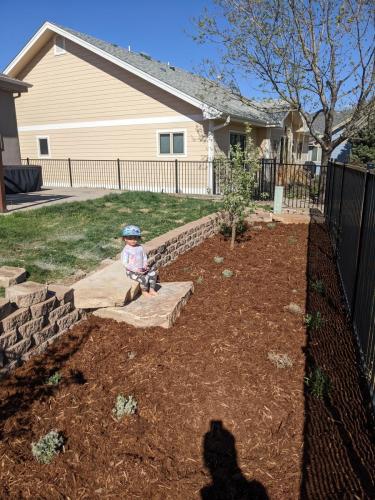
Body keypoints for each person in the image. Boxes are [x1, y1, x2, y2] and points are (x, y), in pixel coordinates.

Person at [121, 225, 158, 297]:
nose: (133, 240)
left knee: (153, 273)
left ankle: (152, 289)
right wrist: (135, 270)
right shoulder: (126, 250)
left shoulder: (139, 247)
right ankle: (144, 291)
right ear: (125, 239)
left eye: (135, 238)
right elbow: (125, 263)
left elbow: (144, 257)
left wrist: (145, 265)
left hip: (142, 268)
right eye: (130, 238)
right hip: (132, 272)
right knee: (144, 279)